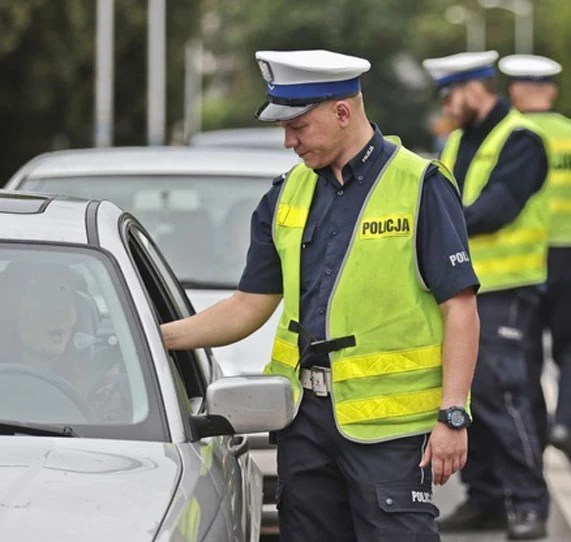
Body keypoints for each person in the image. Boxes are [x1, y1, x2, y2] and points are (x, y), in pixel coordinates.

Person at [160, 49, 481, 542]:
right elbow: (249, 305)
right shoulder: (286, 193)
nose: (288, 142)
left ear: (342, 112)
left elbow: (459, 308)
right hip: (303, 424)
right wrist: (155, 338)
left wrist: (453, 415)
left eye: (299, 127)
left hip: (388, 435)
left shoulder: (419, 186)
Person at [422, 50, 550, 540]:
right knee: (469, 395)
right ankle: (487, 499)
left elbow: (496, 209)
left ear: (475, 89)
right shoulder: (458, 141)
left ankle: (528, 502)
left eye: (452, 95)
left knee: (506, 396)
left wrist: (437, 227)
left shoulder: (521, 140)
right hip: (465, 290)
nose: (449, 107)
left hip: (507, 291)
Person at [498, 54, 571, 466]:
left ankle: (530, 437)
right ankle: (566, 424)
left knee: (525, 352)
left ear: (514, 91)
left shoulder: (504, 135)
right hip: (568, 257)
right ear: (552, 91)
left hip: (517, 263)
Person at [0, 262, 129, 423]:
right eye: (42, 301)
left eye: (65, 299)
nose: (58, 314)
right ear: (7, 314)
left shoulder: (103, 390)